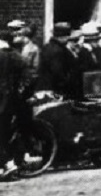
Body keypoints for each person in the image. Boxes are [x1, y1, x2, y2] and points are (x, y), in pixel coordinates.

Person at [0, 30, 29, 180]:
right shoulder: (14, 55)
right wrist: (21, 91)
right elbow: (27, 73)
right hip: (9, 100)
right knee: (5, 132)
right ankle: (9, 163)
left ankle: (8, 164)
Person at [36, 22, 78, 99]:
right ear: (62, 36)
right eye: (67, 36)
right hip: (55, 92)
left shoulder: (46, 47)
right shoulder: (58, 51)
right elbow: (58, 73)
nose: (68, 39)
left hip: (44, 89)